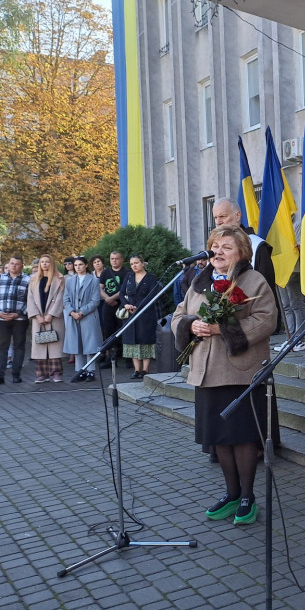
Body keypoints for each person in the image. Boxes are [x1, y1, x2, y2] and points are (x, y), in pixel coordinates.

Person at [172, 226, 278, 525]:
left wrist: (222, 328)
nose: (217, 251)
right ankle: (231, 493)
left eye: (226, 247)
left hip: (239, 371)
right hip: (205, 370)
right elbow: (179, 315)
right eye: (214, 245)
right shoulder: (198, 280)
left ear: (241, 252)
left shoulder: (253, 280)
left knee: (241, 437)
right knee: (218, 437)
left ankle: (247, 496)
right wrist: (191, 326)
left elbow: (266, 321)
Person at [212, 197, 279, 329]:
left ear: (237, 215)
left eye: (223, 216)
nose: (218, 222)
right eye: (215, 218)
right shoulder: (214, 248)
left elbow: (266, 293)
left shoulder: (257, 246)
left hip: (250, 325)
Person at [0, 256, 30, 385]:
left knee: (19, 347)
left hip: (20, 319)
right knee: (2, 348)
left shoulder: (28, 280)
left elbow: (31, 300)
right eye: (12, 263)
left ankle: (16, 375)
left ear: (22, 266)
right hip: (2, 318)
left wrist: (18, 313)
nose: (14, 266)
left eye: (17, 264)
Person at [119, 254, 161, 379]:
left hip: (146, 314)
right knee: (132, 341)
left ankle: (145, 370)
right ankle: (136, 370)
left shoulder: (151, 278)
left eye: (136, 263)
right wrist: (126, 304)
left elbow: (152, 295)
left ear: (143, 263)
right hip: (130, 315)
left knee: (146, 340)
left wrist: (139, 307)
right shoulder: (129, 276)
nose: (134, 266)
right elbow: (121, 293)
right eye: (132, 264)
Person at [27, 255, 66, 383]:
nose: (44, 264)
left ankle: (56, 373)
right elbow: (30, 299)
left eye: (47, 262)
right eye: (42, 262)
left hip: (53, 317)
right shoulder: (33, 280)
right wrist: (37, 316)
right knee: (40, 345)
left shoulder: (59, 279)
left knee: (54, 345)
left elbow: (61, 298)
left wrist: (51, 314)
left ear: (52, 263)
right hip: (38, 317)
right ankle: (42, 374)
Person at [64, 257, 103, 383]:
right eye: (75, 265)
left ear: (86, 265)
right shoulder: (70, 281)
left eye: (80, 264)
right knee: (77, 343)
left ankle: (90, 371)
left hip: (88, 316)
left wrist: (82, 312)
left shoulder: (93, 280)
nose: (78, 267)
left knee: (89, 344)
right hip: (73, 317)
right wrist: (72, 312)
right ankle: (80, 371)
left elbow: (95, 300)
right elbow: (65, 299)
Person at [98, 251, 130, 368]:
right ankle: (110, 359)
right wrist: (107, 299)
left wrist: (112, 298)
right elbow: (100, 288)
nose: (114, 261)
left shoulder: (127, 272)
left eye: (117, 258)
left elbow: (125, 288)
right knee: (108, 332)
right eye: (112, 258)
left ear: (121, 259)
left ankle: (129, 358)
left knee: (125, 331)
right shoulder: (105, 272)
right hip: (108, 306)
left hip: (122, 305)